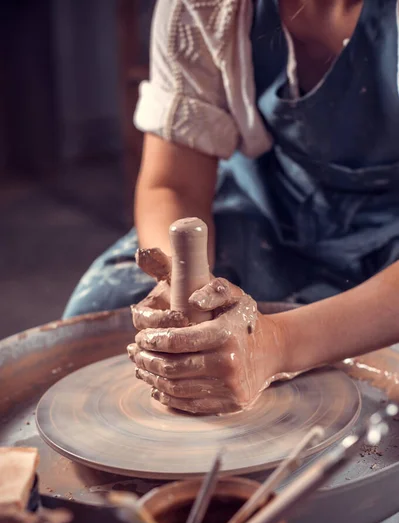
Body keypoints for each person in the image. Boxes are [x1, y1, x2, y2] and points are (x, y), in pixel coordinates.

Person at [64, 0, 399, 413]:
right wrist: (186, 293)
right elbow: (174, 181)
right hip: (269, 210)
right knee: (104, 319)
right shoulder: (204, 7)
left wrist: (277, 343)